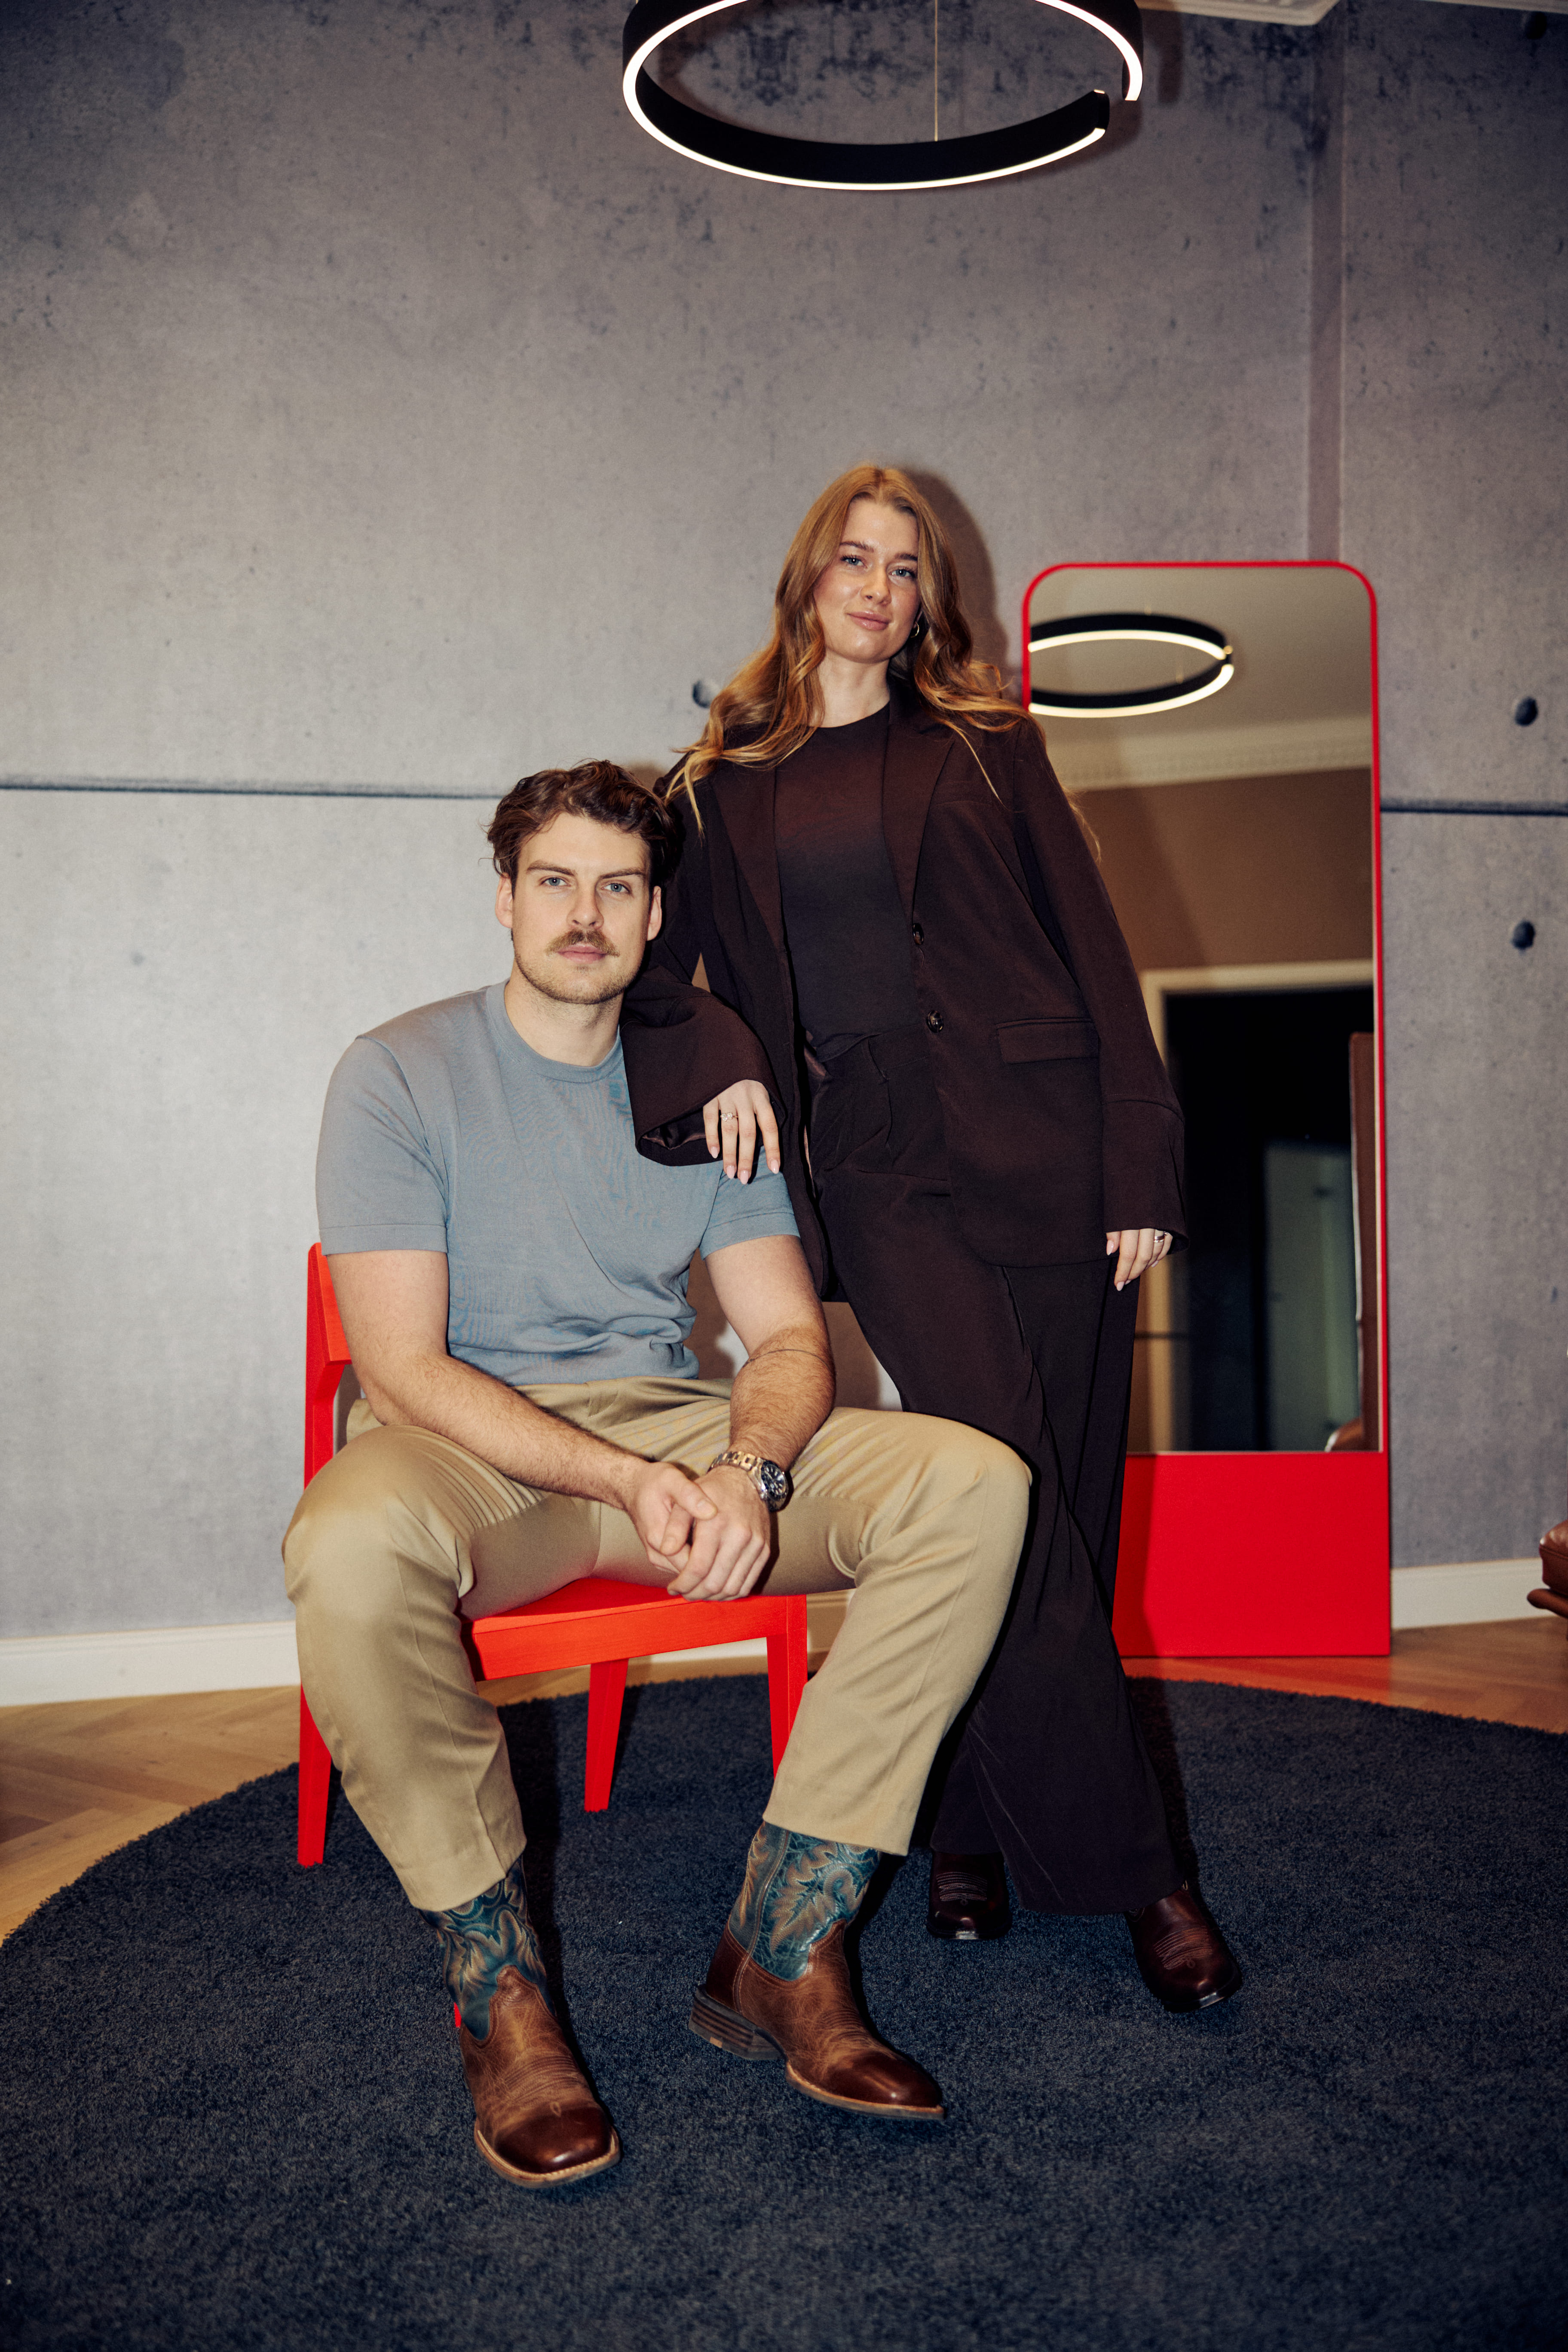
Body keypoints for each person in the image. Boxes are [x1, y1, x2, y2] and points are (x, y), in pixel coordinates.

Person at [282, 760, 1032, 2189]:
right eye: (555, 882)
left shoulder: (707, 1080)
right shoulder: (398, 1072)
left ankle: (786, 1940)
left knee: (974, 1483)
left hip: (673, 1439)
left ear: (653, 912)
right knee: (346, 1543)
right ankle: (498, 1989)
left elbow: (788, 1338)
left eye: (618, 887)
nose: (587, 913)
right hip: (470, 1453)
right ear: (505, 898)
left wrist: (749, 1469)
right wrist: (627, 1481)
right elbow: (406, 1372)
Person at [640, 464, 1240, 2011]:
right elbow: (662, 980)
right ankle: (1144, 1875)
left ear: (929, 601)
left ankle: (968, 1822)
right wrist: (725, 1070)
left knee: (1068, 1503)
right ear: (808, 576)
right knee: (1002, 1485)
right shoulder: (721, 780)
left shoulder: (987, 742)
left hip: (1051, 1143)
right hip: (872, 1162)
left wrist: (1141, 1158)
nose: (880, 589)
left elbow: (1094, 949)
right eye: (856, 559)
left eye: (907, 570)